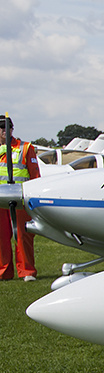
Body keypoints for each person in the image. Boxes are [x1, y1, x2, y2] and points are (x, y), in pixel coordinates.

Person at [0, 116, 40, 281]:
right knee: (1, 237)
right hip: (0, 201)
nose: (5, 131)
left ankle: (27, 271)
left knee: (23, 236)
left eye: (8, 127)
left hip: (20, 200)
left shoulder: (25, 147)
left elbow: (35, 174)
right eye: (2, 128)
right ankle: (3, 272)